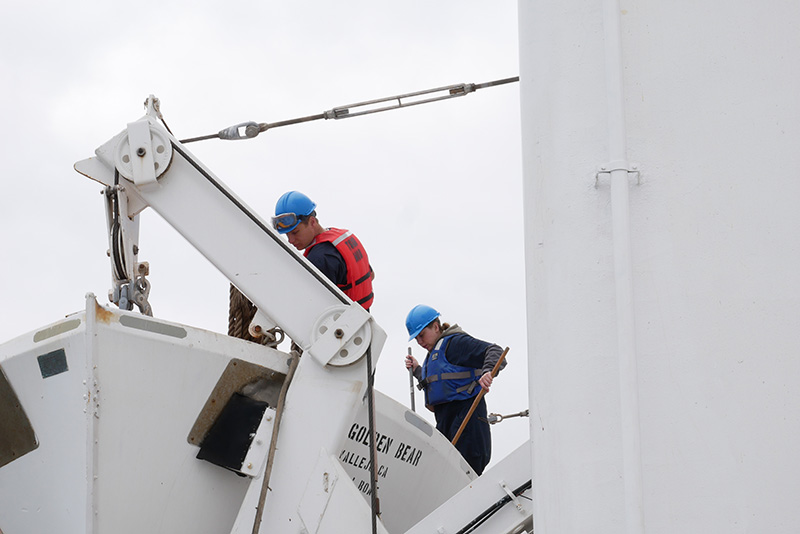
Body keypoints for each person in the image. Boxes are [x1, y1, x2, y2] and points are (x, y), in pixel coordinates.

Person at [404, 304, 505, 476]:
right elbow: (440, 381)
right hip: (446, 420)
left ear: (436, 327)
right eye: (416, 339)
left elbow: (495, 351)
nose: (420, 342)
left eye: (422, 335)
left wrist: (488, 371)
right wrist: (417, 370)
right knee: (447, 473)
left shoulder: (455, 343)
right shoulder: (435, 352)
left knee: (465, 471)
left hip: (467, 418)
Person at [272, 191, 374, 310]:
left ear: (312, 222)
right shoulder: (341, 236)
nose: (291, 240)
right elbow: (371, 275)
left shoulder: (320, 257)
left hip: (345, 325)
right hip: (363, 317)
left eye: (295, 232)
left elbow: (315, 307)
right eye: (287, 235)